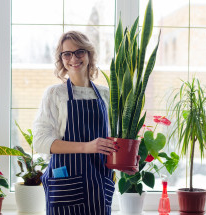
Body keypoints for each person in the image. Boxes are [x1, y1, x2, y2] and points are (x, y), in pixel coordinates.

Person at [33, 31, 135, 215]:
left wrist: (125, 163)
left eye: (79, 51)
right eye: (67, 53)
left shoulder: (106, 94)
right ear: (61, 59)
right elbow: (40, 142)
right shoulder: (55, 94)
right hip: (66, 185)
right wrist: (87, 147)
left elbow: (112, 140)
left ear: (89, 55)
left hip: (98, 184)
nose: (74, 58)